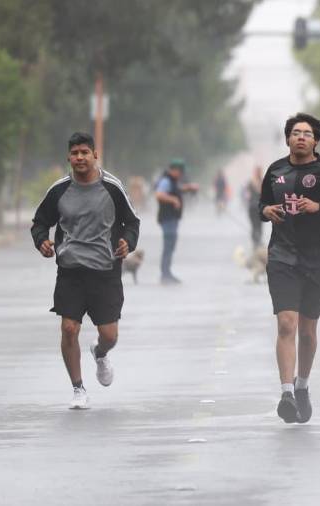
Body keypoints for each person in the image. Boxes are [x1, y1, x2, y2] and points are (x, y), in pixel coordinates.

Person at [259, 113, 320, 424]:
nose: (301, 137)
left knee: (307, 331)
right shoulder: (276, 171)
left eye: (307, 133)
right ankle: (286, 393)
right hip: (282, 257)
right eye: (296, 133)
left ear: (316, 141)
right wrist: (266, 210)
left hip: (318, 261)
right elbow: (260, 206)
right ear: (287, 138)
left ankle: (302, 386)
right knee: (286, 324)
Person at [31, 132, 141, 410]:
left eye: (84, 152)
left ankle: (100, 353)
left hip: (105, 270)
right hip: (71, 270)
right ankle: (78, 389)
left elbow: (132, 222)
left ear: (95, 155)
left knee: (110, 335)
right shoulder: (59, 190)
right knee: (69, 328)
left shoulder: (112, 187)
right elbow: (40, 222)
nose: (80, 158)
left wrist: (128, 242)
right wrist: (42, 241)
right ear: (69, 157)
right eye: (75, 153)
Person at [155, 159, 199, 284]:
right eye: (180, 172)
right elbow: (159, 194)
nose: (181, 174)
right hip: (167, 218)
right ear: (174, 170)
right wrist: (173, 199)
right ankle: (165, 274)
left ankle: (167, 273)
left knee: (171, 246)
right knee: (168, 246)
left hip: (172, 219)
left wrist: (189, 187)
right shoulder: (166, 180)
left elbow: (178, 189)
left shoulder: (173, 181)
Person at [244, 166, 264, 249]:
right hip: (255, 207)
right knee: (256, 225)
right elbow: (246, 194)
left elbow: (246, 195)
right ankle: (256, 242)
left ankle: (257, 241)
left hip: (256, 207)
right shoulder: (258, 182)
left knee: (257, 225)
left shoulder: (258, 182)